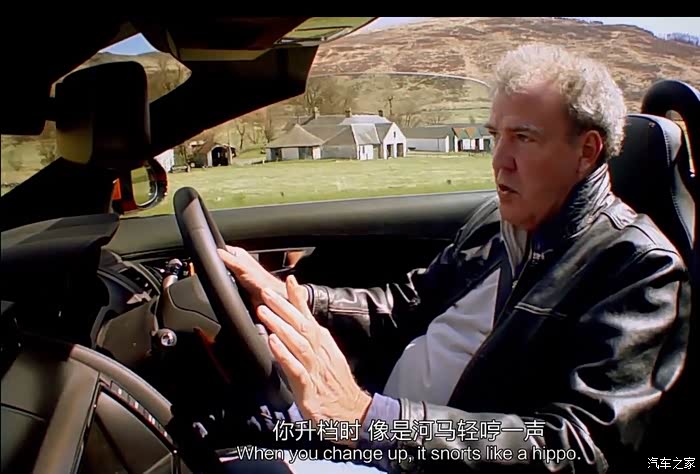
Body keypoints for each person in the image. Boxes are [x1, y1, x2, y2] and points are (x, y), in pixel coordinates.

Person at [216, 43, 691, 472]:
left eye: (524, 138)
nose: (499, 159)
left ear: (586, 152)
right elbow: (404, 305)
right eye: (496, 135)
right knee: (218, 426)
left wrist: (371, 418)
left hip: (408, 451)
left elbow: (577, 447)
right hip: (375, 437)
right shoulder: (496, 220)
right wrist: (296, 297)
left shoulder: (639, 267)